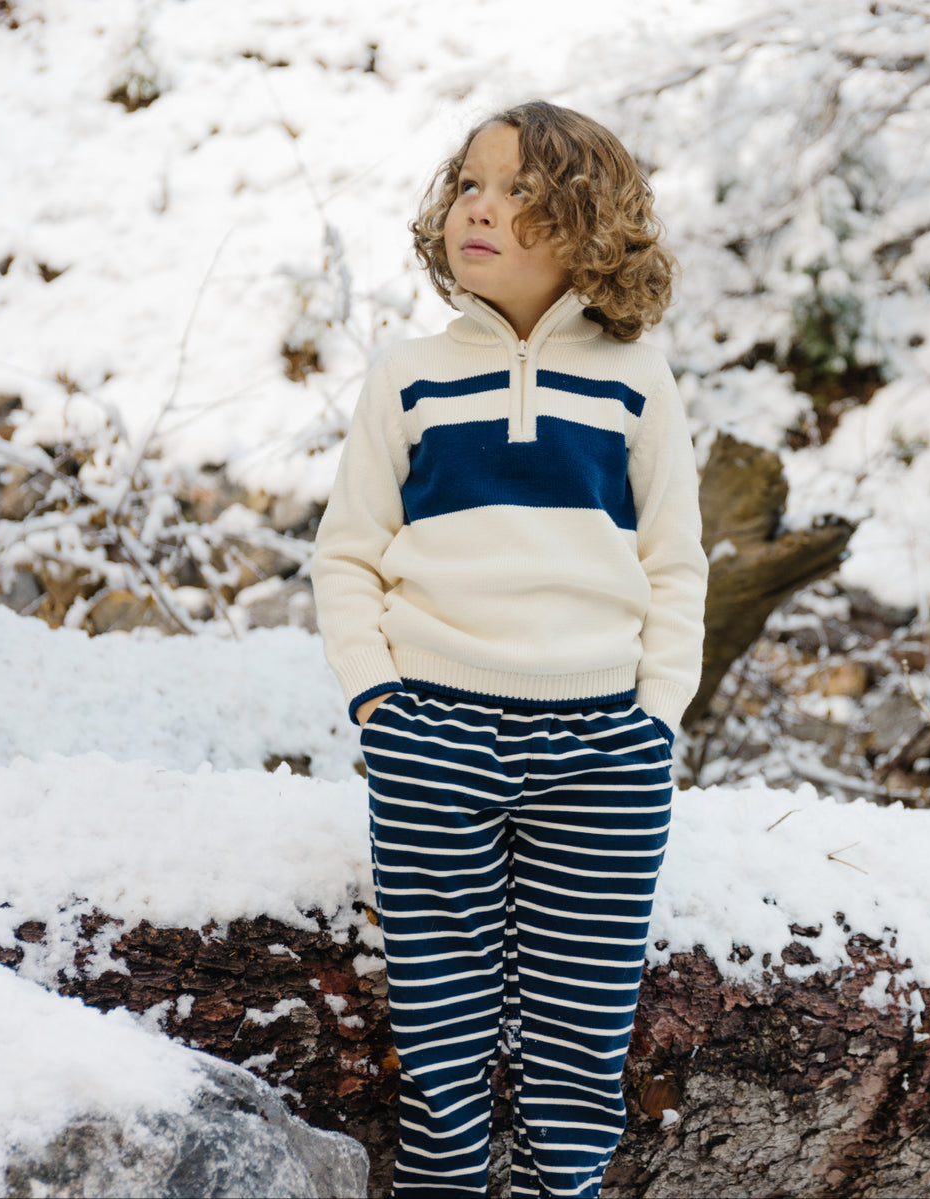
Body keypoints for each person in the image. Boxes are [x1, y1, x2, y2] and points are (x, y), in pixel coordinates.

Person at [311, 100, 708, 1196]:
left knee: (581, 1037)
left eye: (520, 190)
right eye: (470, 185)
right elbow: (347, 554)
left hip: (603, 747)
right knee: (441, 1029)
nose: (480, 207)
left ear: (590, 225)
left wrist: (655, 713)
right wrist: (380, 701)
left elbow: (676, 561)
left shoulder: (639, 378)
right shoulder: (407, 375)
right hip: (433, 727)